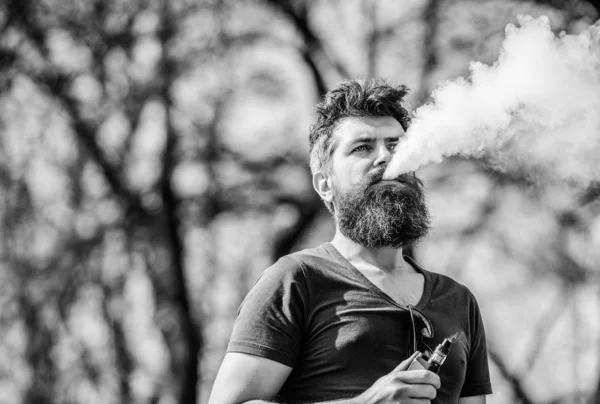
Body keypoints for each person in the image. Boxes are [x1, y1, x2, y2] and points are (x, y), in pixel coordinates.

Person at [208, 79, 493, 404]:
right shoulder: (295, 281)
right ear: (324, 184)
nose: (385, 157)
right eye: (362, 147)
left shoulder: (458, 301)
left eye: (395, 145)